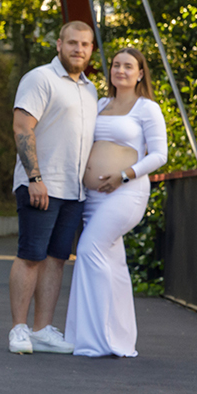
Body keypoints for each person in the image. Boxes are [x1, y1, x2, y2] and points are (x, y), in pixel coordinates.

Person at [65, 47, 168, 357]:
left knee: (88, 250)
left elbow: (159, 155)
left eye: (128, 66)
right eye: (115, 65)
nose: (120, 70)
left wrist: (123, 175)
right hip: (94, 198)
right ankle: (118, 340)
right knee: (114, 264)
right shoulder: (99, 104)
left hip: (126, 193)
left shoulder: (147, 108)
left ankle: (96, 340)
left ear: (140, 74)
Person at [8, 21, 99, 354]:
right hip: (41, 185)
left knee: (57, 259)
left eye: (85, 45)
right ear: (59, 44)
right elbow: (22, 127)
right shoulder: (40, 78)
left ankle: (42, 330)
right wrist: (35, 178)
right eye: (72, 43)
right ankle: (18, 329)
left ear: (91, 50)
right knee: (30, 256)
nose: (78, 49)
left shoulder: (90, 90)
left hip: (74, 192)